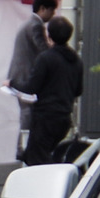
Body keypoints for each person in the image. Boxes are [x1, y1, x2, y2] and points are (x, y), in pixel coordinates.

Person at [22, 15, 81, 165]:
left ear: (49, 36)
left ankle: (42, 187)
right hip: (64, 118)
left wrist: (13, 83)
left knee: (37, 160)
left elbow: (32, 87)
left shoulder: (46, 58)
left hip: (45, 117)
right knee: (49, 155)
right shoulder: (76, 60)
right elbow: (78, 90)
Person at [8, 0, 57, 91]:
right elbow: (43, 48)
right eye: (51, 10)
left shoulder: (30, 23)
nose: (53, 14)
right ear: (42, 8)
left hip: (20, 74)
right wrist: (55, 49)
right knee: (29, 106)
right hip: (25, 75)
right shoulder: (36, 25)